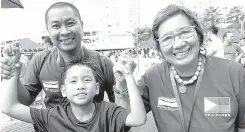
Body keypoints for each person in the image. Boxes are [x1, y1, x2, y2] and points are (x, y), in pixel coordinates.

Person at [115, 5, 245, 132]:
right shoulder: (153, 76)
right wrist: (122, 84)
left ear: (198, 34)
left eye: (185, 32)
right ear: (159, 47)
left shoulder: (234, 73)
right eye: (167, 38)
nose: (178, 43)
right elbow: (129, 117)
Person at [1, 2, 116, 131]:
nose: (65, 31)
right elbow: (24, 101)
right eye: (56, 26)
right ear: (49, 31)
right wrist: (13, 76)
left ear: (81, 25)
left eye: (70, 23)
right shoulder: (40, 60)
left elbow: (120, 109)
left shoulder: (103, 63)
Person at [1, 48, 146, 132]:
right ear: (63, 91)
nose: (80, 85)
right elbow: (9, 107)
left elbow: (139, 119)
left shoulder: (108, 112)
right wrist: (12, 74)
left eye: (87, 80)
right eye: (73, 81)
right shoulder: (52, 116)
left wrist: (128, 77)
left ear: (97, 88)